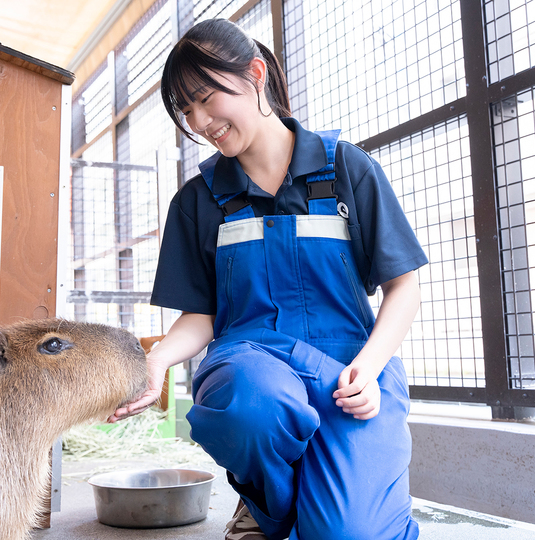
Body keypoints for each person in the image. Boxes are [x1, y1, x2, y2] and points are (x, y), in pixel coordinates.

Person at [109, 18, 427, 540]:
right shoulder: (197, 201)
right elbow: (201, 316)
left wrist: (369, 368)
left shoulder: (346, 168)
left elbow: (404, 285)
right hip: (250, 363)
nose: (201, 120)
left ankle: (330, 502)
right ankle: (266, 508)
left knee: (350, 533)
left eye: (208, 98)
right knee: (254, 406)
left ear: (255, 74)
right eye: (186, 111)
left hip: (349, 373)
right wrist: (160, 358)